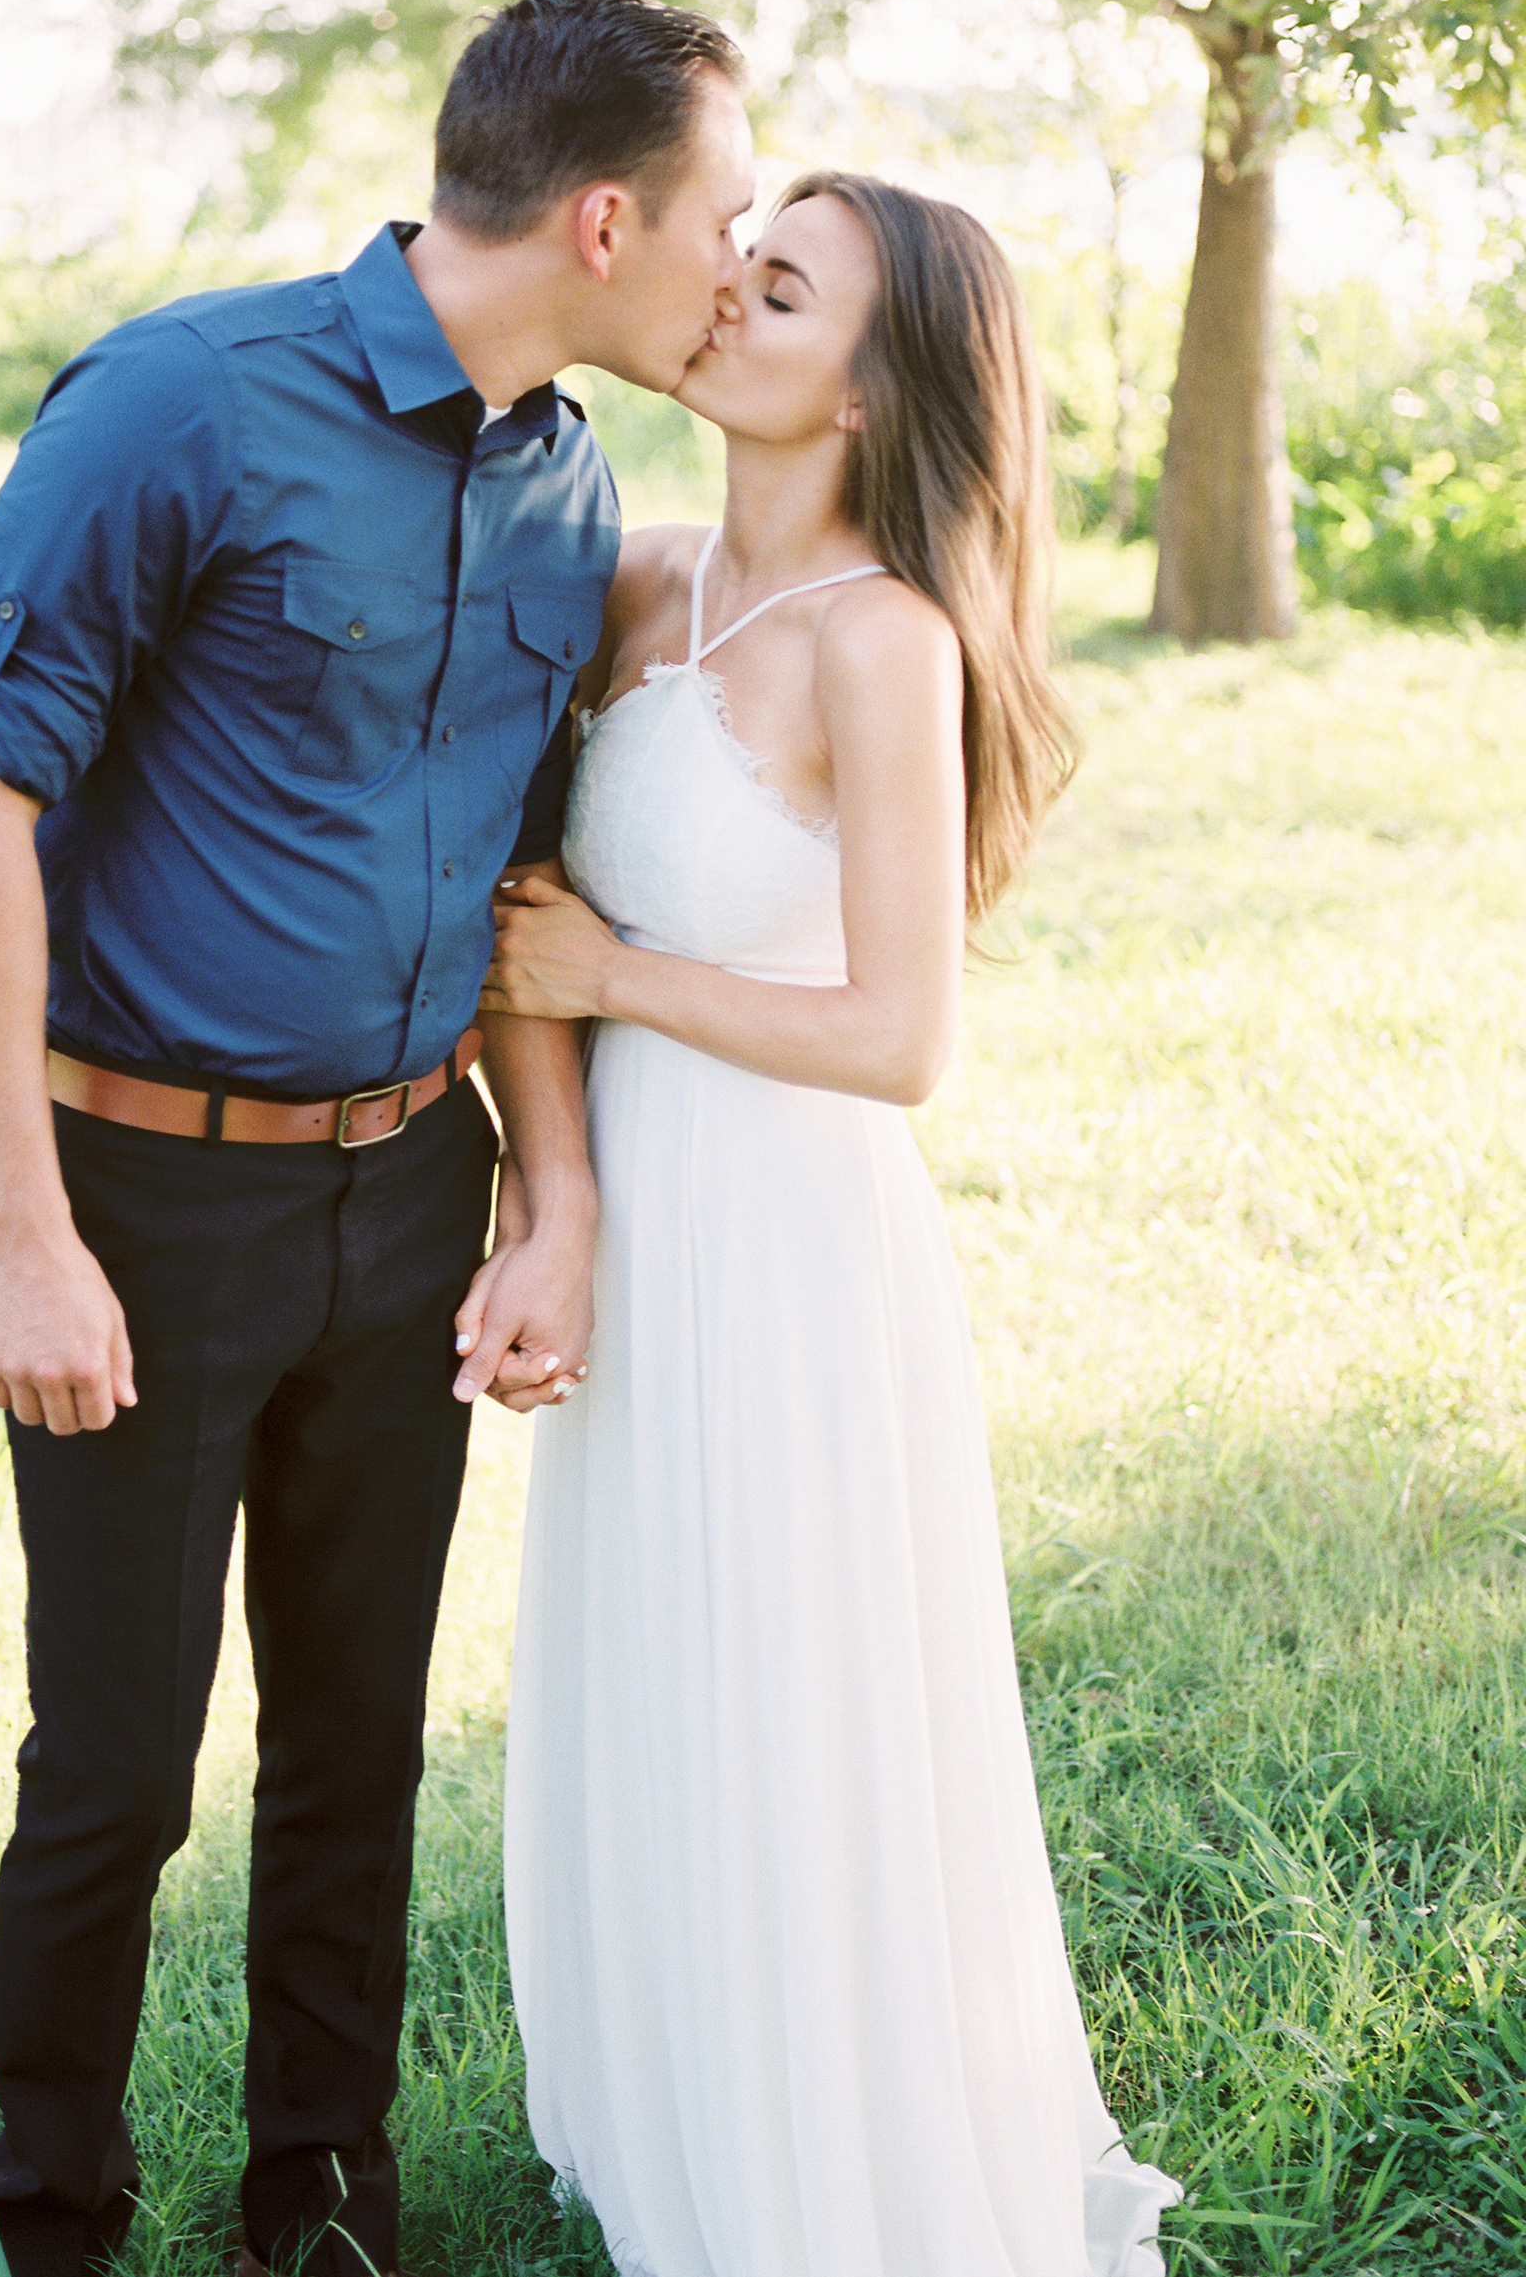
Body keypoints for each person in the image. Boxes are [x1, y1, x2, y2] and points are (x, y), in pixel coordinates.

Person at [0, 0, 755, 2277]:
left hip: (416, 1196)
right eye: (716, 221)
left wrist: (546, 1201)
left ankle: (324, 2194)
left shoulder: (569, 477)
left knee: (354, 1742)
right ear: (601, 217)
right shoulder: (186, 402)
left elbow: (519, 887)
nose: (729, 269)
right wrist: (21, 1230)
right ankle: (48, 2208)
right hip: (149, 1204)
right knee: (112, 1763)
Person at [482, 171, 1183, 2276]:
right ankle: (676, 2106)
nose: (721, 296)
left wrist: (621, 987)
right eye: (738, 258)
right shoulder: (635, 584)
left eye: (779, 288)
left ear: (877, 388)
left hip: (792, 1241)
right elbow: (519, 924)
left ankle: (825, 2161)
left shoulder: (884, 641)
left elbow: (898, 1037)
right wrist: (554, 1191)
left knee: (794, 1705)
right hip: (634, 1219)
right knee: (658, 1684)